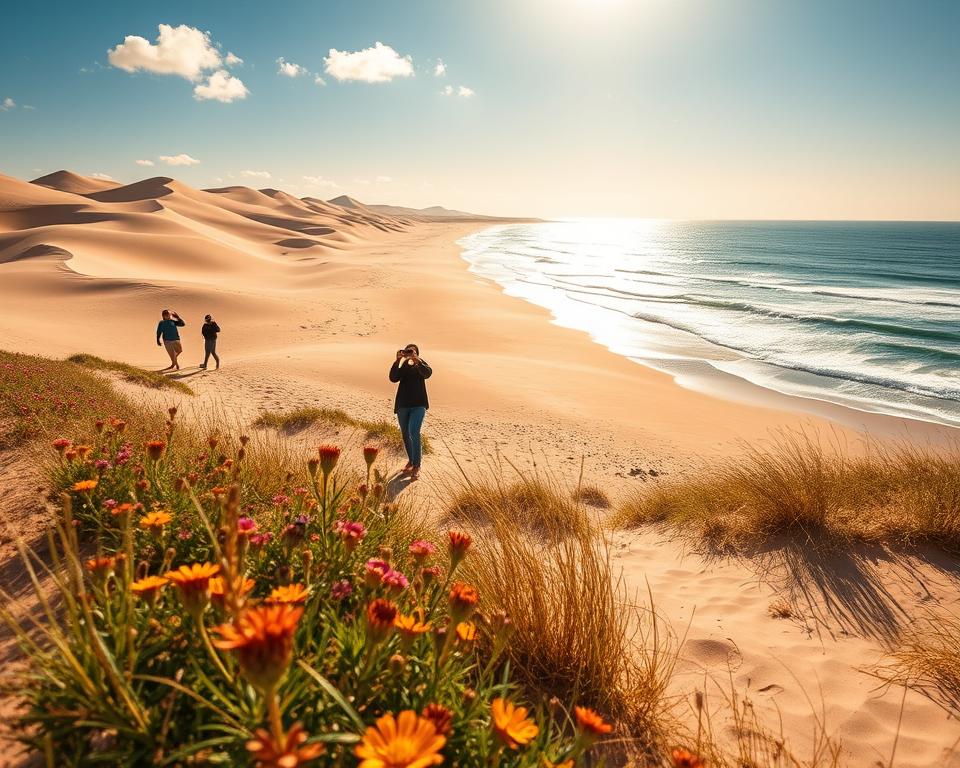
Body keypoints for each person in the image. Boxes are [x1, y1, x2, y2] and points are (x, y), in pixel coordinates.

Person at [388, 343, 432, 480]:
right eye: (407, 351)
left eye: (412, 351)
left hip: (418, 405)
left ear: (417, 353)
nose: (409, 353)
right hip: (403, 405)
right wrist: (397, 361)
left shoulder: (420, 365)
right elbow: (393, 378)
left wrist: (417, 360)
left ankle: (417, 465)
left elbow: (428, 373)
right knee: (405, 433)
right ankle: (411, 461)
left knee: (414, 431)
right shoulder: (403, 366)